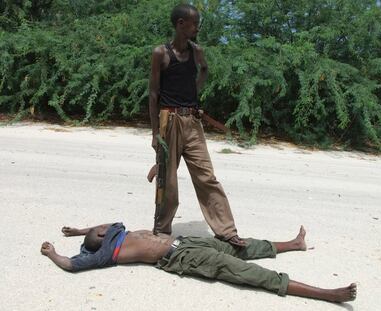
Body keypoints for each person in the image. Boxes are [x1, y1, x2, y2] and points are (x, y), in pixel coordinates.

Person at [40, 223, 357, 303]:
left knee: (237, 245)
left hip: (188, 243)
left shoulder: (114, 231)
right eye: (98, 231)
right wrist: (52, 252)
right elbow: (71, 264)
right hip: (182, 257)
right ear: (101, 240)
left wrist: (76, 230)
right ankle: (328, 294)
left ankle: (293, 244)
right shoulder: (108, 253)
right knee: (244, 271)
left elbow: (96, 227)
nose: (101, 228)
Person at [148, 4, 245, 246]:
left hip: (192, 122)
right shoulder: (161, 53)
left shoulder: (197, 51)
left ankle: (226, 230)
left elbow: (204, 70)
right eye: (194, 22)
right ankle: (161, 229)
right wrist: (154, 133)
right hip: (167, 121)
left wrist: (192, 93)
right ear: (181, 24)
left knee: (206, 176)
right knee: (167, 179)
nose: (197, 27)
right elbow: (152, 93)